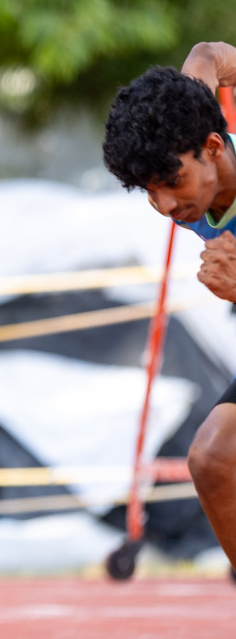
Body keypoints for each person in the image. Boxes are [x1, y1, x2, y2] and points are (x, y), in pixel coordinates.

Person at [101, 46, 236, 576]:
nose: (166, 207)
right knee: (212, 458)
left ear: (212, 148)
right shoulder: (190, 121)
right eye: (149, 192)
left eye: (172, 183)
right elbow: (205, 54)